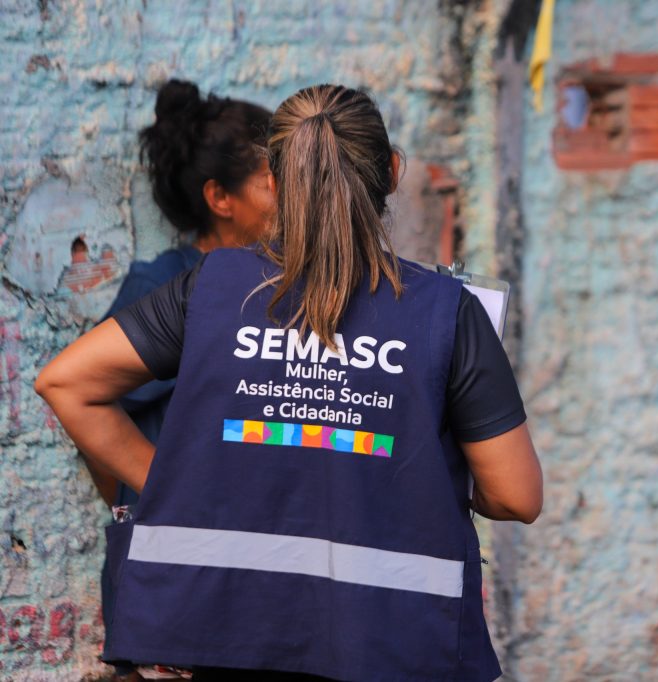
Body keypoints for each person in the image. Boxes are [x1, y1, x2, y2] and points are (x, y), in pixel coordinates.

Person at [37, 84, 543, 681]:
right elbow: (516, 496)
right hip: (395, 640)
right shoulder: (446, 311)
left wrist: (179, 485)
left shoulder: (212, 288)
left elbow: (67, 384)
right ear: (392, 172)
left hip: (224, 633)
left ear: (277, 182)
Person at [83, 79, 273, 681]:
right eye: (273, 179)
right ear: (220, 197)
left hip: (243, 580)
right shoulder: (166, 286)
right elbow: (88, 407)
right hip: (170, 583)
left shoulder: (278, 291)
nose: (294, 193)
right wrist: (157, 498)